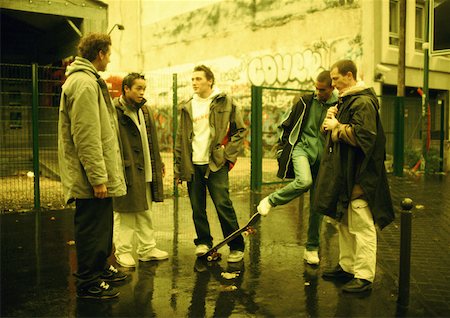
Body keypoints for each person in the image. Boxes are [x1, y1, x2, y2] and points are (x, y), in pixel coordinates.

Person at [315, 59, 394, 293]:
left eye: (336, 78)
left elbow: (365, 138)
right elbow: (333, 134)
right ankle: (347, 266)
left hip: (359, 175)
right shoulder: (347, 100)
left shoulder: (362, 102)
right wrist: (330, 122)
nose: (333, 82)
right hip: (345, 174)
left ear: (349, 76)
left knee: (362, 225)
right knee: (345, 223)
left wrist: (338, 127)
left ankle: (364, 276)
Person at [58, 33, 127, 300]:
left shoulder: (88, 81)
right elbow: (86, 136)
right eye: (109, 53)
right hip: (91, 176)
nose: (110, 59)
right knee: (91, 227)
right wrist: (98, 178)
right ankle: (88, 281)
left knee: (102, 225)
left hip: (98, 173)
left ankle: (99, 269)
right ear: (100, 53)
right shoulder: (85, 85)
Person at [257, 70, 338, 265]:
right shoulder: (304, 101)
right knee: (304, 181)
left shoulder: (339, 105)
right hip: (301, 148)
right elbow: (285, 124)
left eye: (322, 90)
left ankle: (311, 248)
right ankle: (271, 200)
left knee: (317, 204)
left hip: (325, 158)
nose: (317, 93)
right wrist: (282, 148)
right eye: (315, 89)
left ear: (332, 88)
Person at [174, 65, 247, 263]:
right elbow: (180, 137)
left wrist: (227, 155)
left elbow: (240, 130)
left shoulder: (226, 101)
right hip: (193, 163)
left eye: (198, 79)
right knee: (197, 207)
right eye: (193, 80)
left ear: (210, 81)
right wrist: (179, 167)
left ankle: (236, 246)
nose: (194, 83)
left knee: (223, 204)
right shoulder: (187, 106)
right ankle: (203, 242)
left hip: (215, 163)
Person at [113, 73, 169, 268]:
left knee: (145, 210)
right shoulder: (115, 111)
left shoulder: (145, 110)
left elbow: (152, 139)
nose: (142, 92)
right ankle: (123, 252)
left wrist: (158, 163)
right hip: (126, 171)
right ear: (126, 88)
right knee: (125, 212)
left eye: (144, 88)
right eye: (138, 88)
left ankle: (147, 249)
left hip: (145, 169)